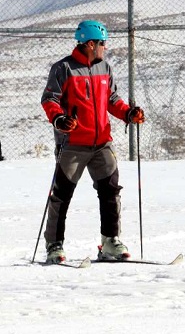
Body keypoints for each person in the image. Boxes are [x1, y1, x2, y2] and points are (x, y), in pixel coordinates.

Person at [40, 19, 145, 264]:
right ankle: (54, 245)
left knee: (110, 191)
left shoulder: (104, 69)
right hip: (73, 144)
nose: (104, 48)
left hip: (102, 143)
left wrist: (128, 113)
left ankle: (110, 241)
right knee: (62, 195)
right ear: (90, 44)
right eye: (101, 44)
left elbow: (112, 99)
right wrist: (60, 119)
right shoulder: (63, 69)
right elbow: (49, 100)